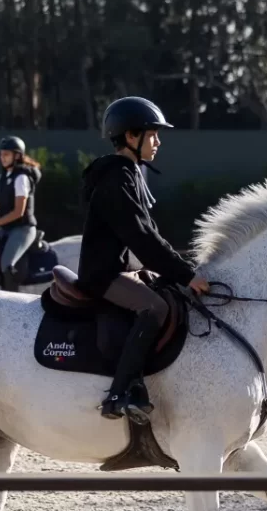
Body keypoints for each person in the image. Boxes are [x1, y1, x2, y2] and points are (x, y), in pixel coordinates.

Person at [76, 97, 212, 423]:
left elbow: (152, 235)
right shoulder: (115, 179)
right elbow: (141, 238)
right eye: (152, 135)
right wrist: (186, 274)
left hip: (120, 268)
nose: (158, 141)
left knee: (168, 294)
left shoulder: (129, 173)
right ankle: (119, 394)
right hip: (101, 275)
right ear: (131, 136)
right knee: (155, 308)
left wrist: (182, 269)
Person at [0, 137, 40, 289]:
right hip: (7, 228)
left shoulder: (21, 178)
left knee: (6, 263)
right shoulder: (4, 177)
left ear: (17, 156)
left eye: (6, 154)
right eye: (1, 155)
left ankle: (12, 300)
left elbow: (18, 212)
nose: (2, 158)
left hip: (23, 229)